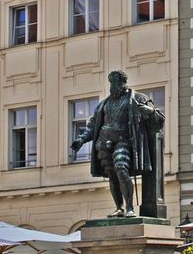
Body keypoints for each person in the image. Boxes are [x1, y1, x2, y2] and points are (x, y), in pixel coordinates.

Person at [70, 70, 165, 217]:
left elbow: (159, 120)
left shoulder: (138, 98)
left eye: (116, 81)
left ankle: (129, 207)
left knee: (121, 168)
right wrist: (81, 139)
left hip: (124, 140)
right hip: (103, 143)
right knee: (112, 174)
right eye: (111, 82)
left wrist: (149, 111)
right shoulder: (104, 104)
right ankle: (119, 208)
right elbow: (93, 125)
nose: (113, 85)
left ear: (124, 82)